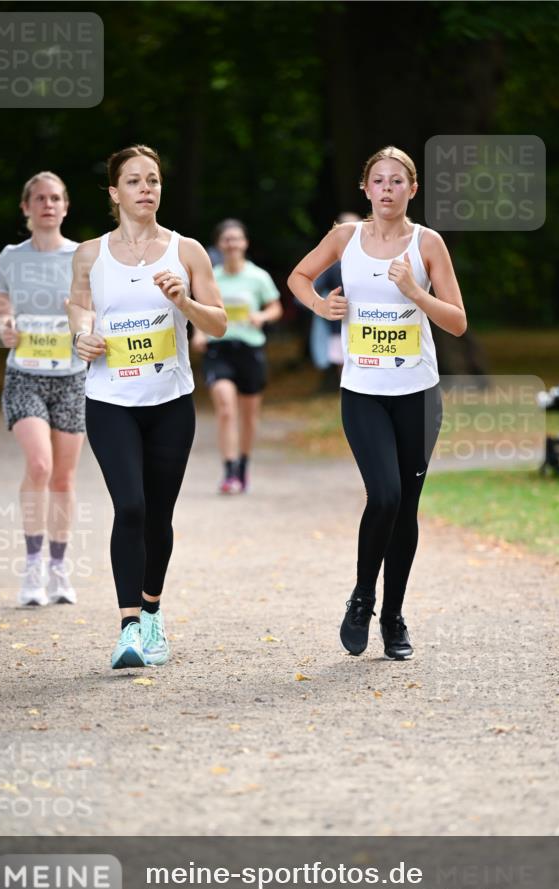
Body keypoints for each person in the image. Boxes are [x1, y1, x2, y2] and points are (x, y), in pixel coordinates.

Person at [288, 146, 466, 660]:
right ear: (365, 189)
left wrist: (416, 292)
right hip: (363, 392)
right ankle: (363, 597)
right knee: (384, 495)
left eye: (397, 181)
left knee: (406, 507)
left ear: (413, 189)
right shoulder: (345, 238)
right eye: (379, 181)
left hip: (418, 394)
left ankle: (393, 616)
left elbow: (457, 321)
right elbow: (298, 277)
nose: (388, 189)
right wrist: (321, 305)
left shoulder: (428, 244)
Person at [67, 145, 226, 670]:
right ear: (115, 193)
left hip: (170, 403)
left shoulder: (187, 251)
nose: (146, 189)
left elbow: (218, 323)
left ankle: (153, 611)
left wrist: (184, 302)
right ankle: (129, 627)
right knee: (130, 506)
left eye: (153, 180)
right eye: (134, 181)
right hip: (110, 401)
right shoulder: (90, 254)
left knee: (158, 514)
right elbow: (79, 306)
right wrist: (81, 336)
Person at [0, 173, 84, 606]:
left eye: (55, 198)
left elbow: (93, 312)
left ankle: (58, 567)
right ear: (25, 207)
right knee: (40, 465)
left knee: (63, 477)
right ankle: (32, 567)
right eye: (40, 199)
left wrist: (80, 321)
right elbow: (2, 311)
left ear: (65, 207)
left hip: (71, 377)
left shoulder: (83, 257)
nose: (48, 204)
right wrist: (5, 328)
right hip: (25, 375)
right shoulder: (9, 259)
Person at [192, 219, 282, 494]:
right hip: (218, 349)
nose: (232, 244)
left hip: (250, 350)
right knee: (226, 407)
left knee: (249, 415)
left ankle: (243, 465)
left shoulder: (258, 277)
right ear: (219, 244)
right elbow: (201, 309)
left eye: (236, 238)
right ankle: (229, 470)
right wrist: (198, 333)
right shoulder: (212, 277)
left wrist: (262, 316)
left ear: (245, 243)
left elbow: (275, 307)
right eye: (226, 239)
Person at [310, 212, 361, 392]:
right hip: (340, 327)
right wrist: (322, 304)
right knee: (345, 368)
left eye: (356, 227)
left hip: (375, 323)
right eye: (345, 228)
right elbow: (311, 286)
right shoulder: (331, 263)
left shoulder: (378, 257)